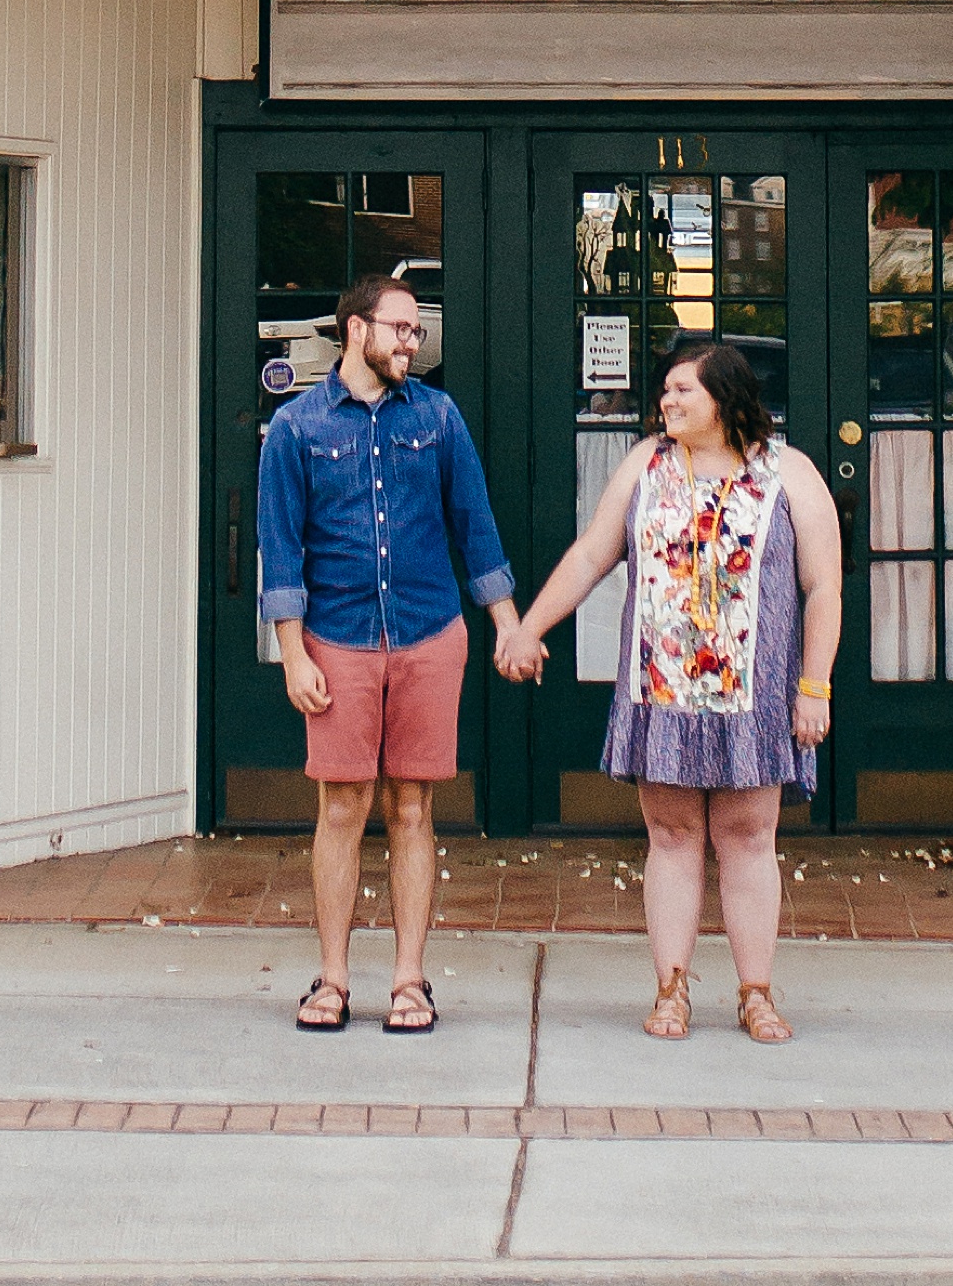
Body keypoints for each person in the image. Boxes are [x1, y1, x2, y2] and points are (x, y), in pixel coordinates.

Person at [509, 332, 843, 1044]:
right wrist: (528, 628)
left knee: (749, 836)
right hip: (661, 692)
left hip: (755, 698)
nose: (666, 399)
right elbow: (592, 554)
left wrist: (814, 685)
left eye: (681, 389)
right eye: (663, 389)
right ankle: (670, 990)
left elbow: (823, 587)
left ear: (725, 397)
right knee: (670, 835)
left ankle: (756, 993)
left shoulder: (791, 473)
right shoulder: (647, 466)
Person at [255, 264, 531, 1035]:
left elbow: (475, 527)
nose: (413, 340)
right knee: (342, 807)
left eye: (417, 330)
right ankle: (333, 979)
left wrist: (506, 623)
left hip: (428, 634)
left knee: (413, 807)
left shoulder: (438, 419)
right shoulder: (298, 428)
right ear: (357, 330)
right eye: (401, 327)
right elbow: (280, 550)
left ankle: (411, 980)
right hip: (335, 641)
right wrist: (293, 653)